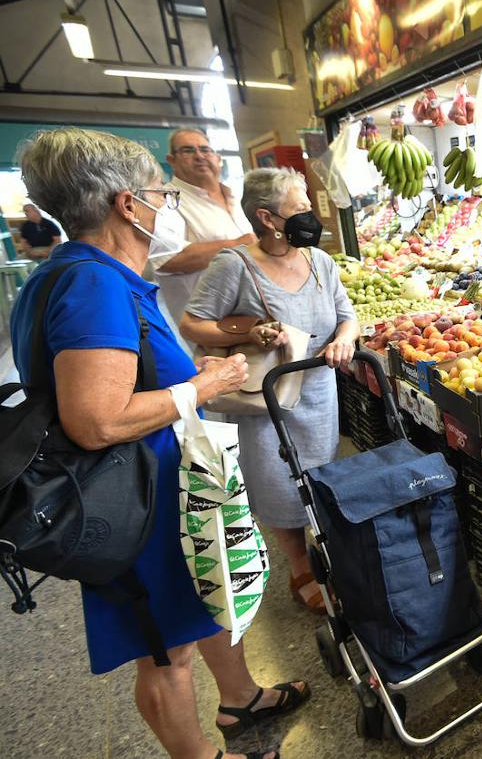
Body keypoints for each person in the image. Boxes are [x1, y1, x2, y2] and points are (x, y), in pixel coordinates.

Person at [11, 127, 309, 759]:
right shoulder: (95, 285)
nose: (164, 206)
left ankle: (240, 699)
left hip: (152, 487)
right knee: (164, 649)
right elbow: (96, 420)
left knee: (194, 603)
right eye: (159, 194)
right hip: (131, 497)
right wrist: (207, 383)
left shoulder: (64, 274)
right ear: (126, 203)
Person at [181, 167, 358, 614]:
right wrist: (254, 329)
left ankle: (325, 551)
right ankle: (299, 565)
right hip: (266, 401)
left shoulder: (320, 261)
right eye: (299, 209)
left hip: (318, 391)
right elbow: (192, 322)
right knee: (278, 484)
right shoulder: (234, 265)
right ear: (268, 218)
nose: (310, 216)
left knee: (317, 475)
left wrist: (344, 339)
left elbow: (346, 314)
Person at [151, 127, 256, 323]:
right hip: (209, 327)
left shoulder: (236, 196)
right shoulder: (165, 200)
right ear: (171, 160)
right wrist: (239, 245)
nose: (199, 156)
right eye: (188, 150)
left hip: (255, 314)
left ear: (217, 158)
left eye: (205, 150)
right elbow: (167, 259)